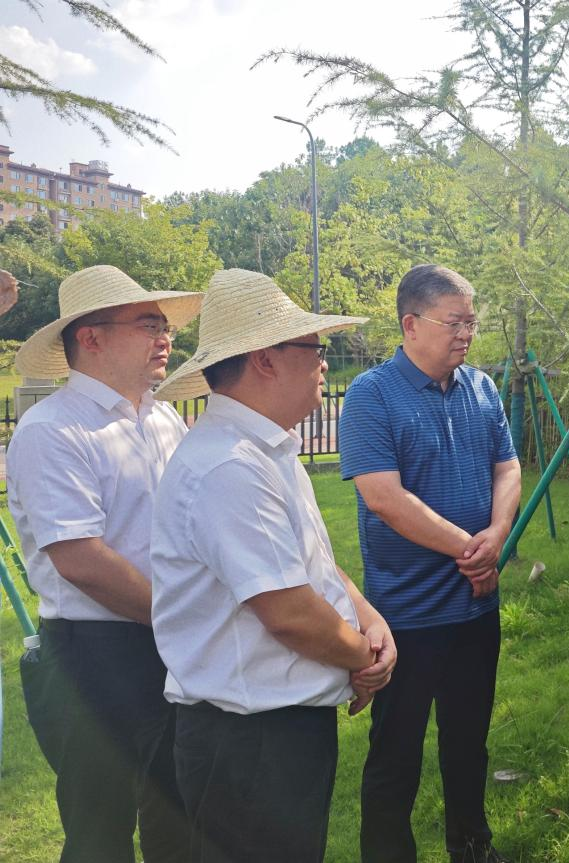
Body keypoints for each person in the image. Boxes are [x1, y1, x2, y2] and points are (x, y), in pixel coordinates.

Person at [148, 269, 396, 863]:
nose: (322, 363)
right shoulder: (230, 466)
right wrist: (366, 662)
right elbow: (288, 613)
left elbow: (311, 566)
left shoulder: (266, 450)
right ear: (264, 360)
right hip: (249, 740)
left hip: (273, 731)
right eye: (314, 349)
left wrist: (369, 620)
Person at [7, 264, 202, 863]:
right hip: (93, 656)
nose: (166, 338)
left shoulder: (163, 417)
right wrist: (184, 623)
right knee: (99, 831)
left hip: (165, 642)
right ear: (89, 337)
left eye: (165, 325)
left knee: (178, 814)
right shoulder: (52, 430)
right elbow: (81, 561)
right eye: (149, 324)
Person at [340, 264, 521, 863]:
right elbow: (384, 498)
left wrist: (497, 534)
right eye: (455, 321)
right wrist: (471, 551)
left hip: (476, 606)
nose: (467, 333)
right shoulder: (371, 394)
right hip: (408, 614)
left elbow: (508, 467)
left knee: (469, 744)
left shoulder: (482, 387)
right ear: (411, 324)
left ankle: (472, 845)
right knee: (397, 753)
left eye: (472, 321)